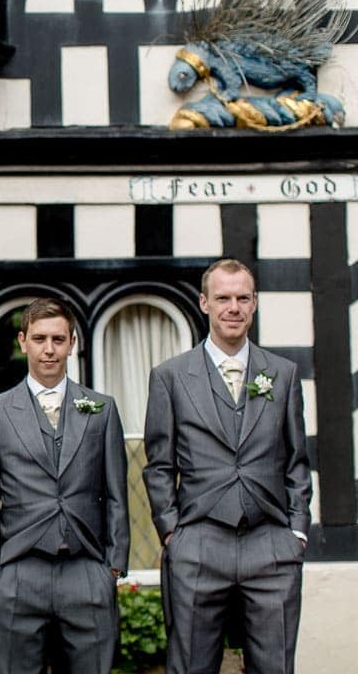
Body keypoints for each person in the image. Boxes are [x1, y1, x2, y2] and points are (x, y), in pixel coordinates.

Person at [143, 258, 312, 674]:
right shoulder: (170, 377)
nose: (232, 307)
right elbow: (159, 464)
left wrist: (296, 530)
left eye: (242, 298)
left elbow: (296, 460)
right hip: (198, 541)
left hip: (271, 542)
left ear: (254, 304)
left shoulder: (284, 374)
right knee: (191, 667)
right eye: (223, 298)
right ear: (204, 303)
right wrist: (172, 532)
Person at [0, 297, 128, 674]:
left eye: (58, 339)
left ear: (72, 343)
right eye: (40, 338)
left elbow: (117, 494)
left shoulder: (101, 409)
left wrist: (112, 568)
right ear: (23, 342)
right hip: (18, 573)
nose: (49, 349)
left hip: (86, 568)